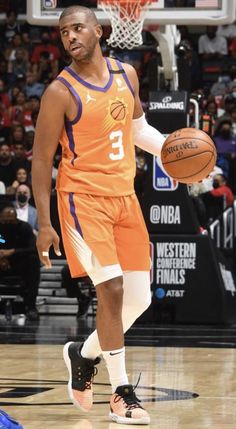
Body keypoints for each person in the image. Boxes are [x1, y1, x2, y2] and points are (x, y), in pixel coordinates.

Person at [32, 5, 165, 425]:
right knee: (110, 290)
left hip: (124, 198)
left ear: (99, 31)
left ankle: (82, 354)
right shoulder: (60, 92)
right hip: (81, 200)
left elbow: (138, 130)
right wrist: (44, 221)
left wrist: (173, 150)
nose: (69, 36)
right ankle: (121, 394)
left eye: (77, 28)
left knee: (139, 298)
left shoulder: (126, 75)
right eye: (63, 32)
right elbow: (40, 160)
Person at [0, 204, 40, 321]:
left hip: (19, 263)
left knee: (33, 260)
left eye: (10, 221)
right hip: (1, 264)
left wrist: (13, 252)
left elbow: (34, 248)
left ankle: (31, 306)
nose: (7, 224)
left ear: (16, 219)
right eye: (4, 221)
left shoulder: (25, 227)